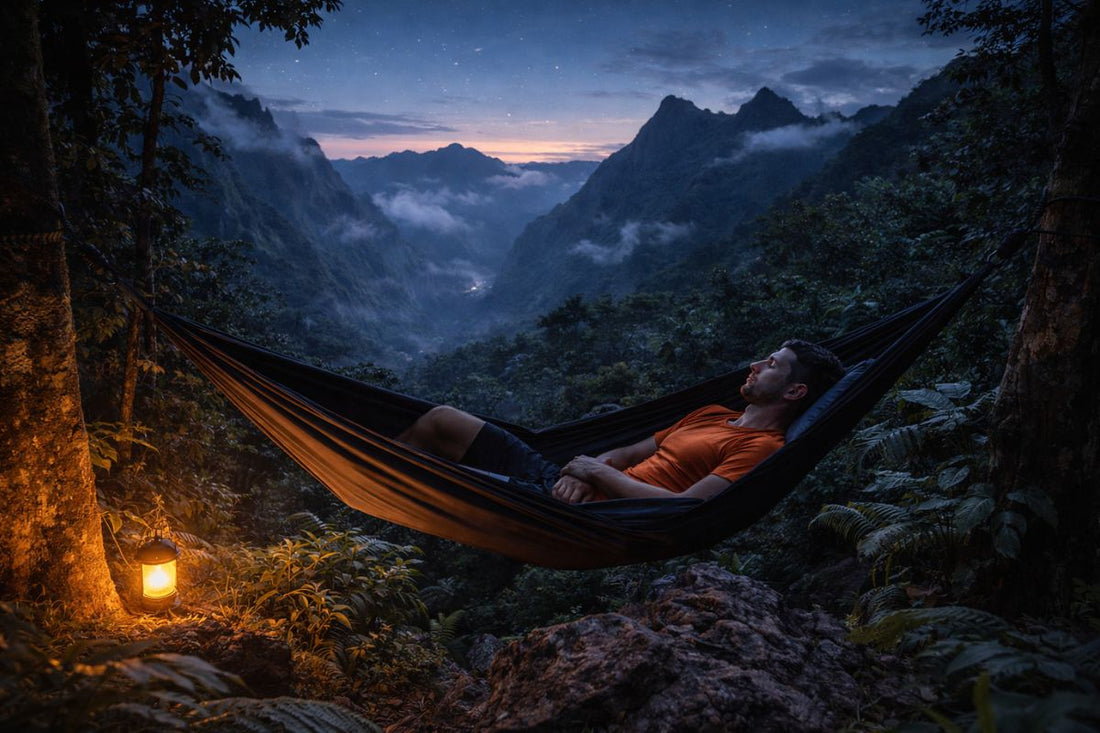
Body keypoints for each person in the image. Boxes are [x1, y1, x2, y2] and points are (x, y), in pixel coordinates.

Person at [398, 339, 844, 504]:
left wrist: (595, 475)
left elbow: (686, 506)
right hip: (569, 485)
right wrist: (587, 472)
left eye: (770, 364)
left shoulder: (761, 447)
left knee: (443, 477)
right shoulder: (713, 415)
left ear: (794, 392)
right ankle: (375, 479)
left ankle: (378, 495)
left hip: (598, 517)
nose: (754, 365)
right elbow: (628, 452)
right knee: (441, 421)